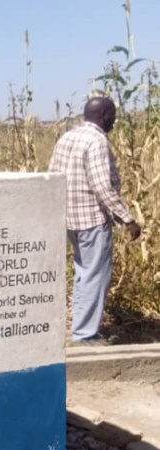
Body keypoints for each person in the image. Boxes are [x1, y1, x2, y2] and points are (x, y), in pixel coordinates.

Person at [48, 96, 141, 346]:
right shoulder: (96, 140)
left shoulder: (67, 137)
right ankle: (85, 334)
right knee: (95, 275)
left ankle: (81, 326)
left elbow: (52, 175)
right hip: (91, 219)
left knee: (83, 273)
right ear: (103, 115)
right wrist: (127, 219)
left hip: (69, 219)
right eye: (112, 115)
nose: (115, 120)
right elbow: (102, 186)